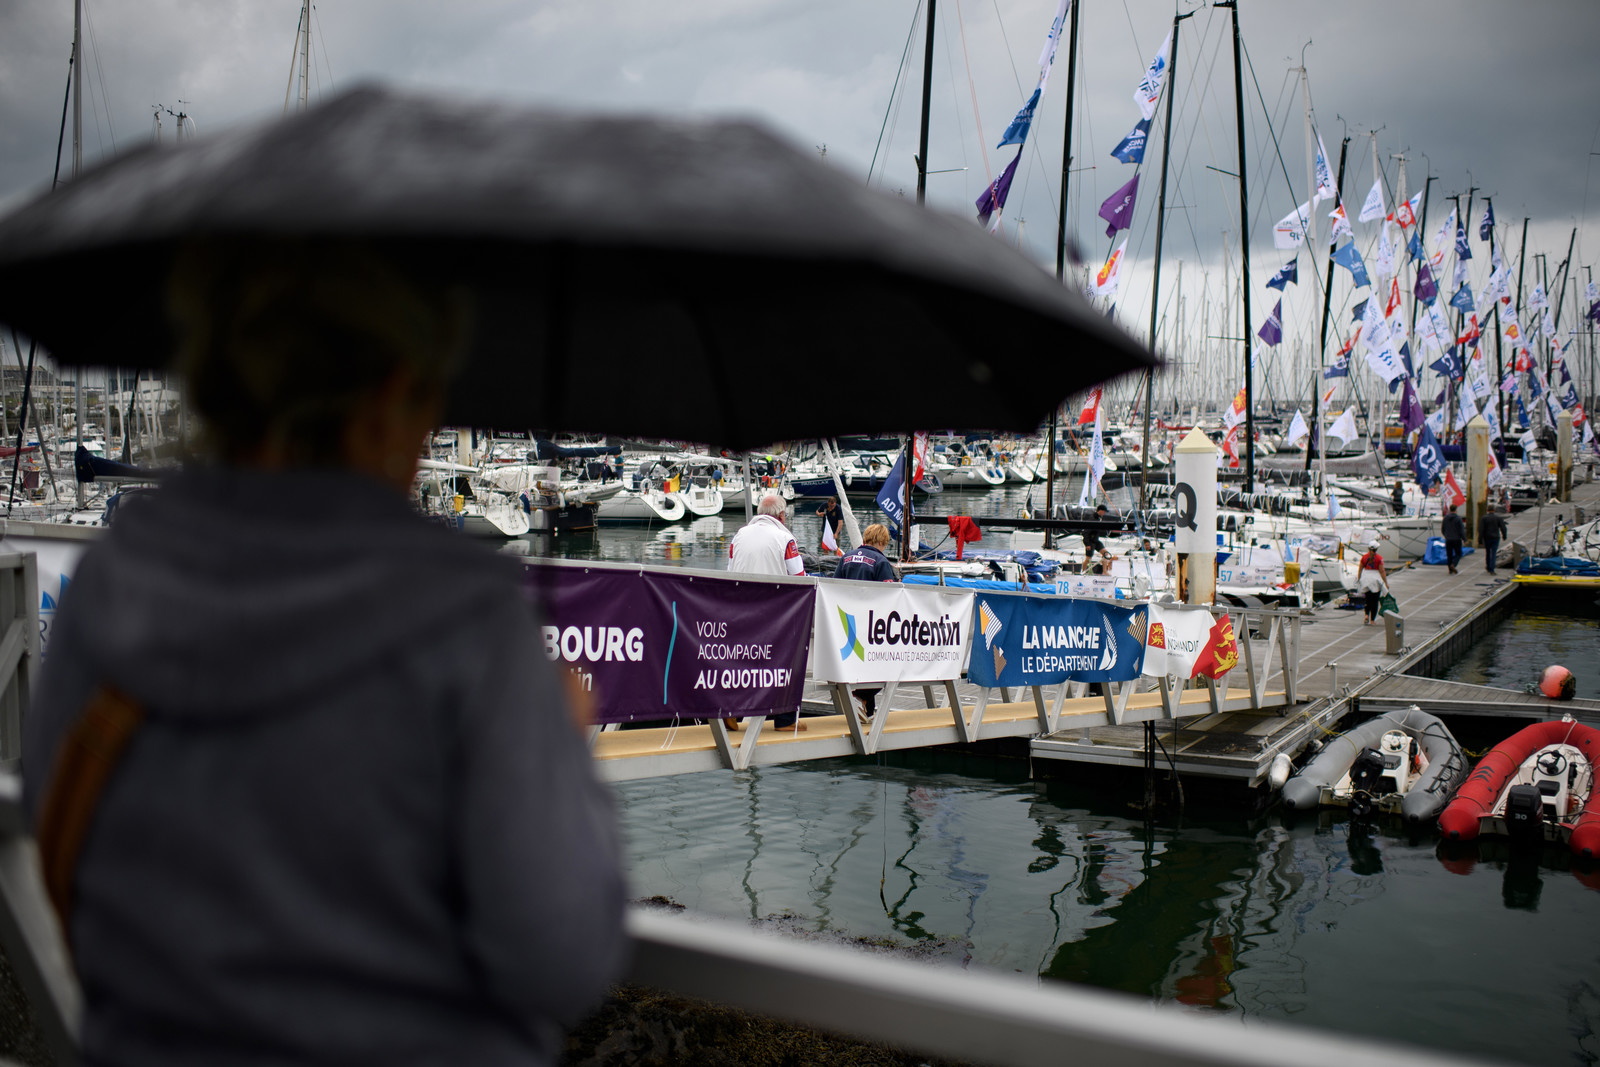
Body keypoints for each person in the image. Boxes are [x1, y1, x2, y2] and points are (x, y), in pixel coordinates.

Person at [22, 239, 625, 1065]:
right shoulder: (468, 624)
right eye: (428, 396)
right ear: (385, 397)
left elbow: (65, 876)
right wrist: (563, 751)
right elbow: (564, 957)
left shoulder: (109, 584)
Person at [728, 493, 806, 730]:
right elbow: (799, 578)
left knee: (743, 663)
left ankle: (731, 711)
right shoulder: (785, 539)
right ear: (782, 515)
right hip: (776, 612)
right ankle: (784, 719)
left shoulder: (739, 535)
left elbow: (729, 572)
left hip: (740, 610)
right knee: (784, 663)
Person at [834, 524, 898, 724]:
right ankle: (859, 697)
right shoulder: (880, 561)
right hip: (871, 623)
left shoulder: (846, 558)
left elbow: (834, 586)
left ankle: (867, 712)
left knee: (861, 666)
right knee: (886, 665)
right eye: (885, 544)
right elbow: (889, 595)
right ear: (881, 541)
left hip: (847, 621)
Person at [1356, 538, 1388, 624]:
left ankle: (1366, 614)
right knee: (1375, 600)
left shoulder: (1364, 557)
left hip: (1366, 578)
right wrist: (1385, 583)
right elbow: (1382, 571)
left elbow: (1360, 569)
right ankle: (1372, 620)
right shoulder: (1379, 558)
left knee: (1367, 599)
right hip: (1375, 580)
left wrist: (1359, 579)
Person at [1479, 504, 1509, 574]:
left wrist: (1480, 539)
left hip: (1487, 537)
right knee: (1493, 553)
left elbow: (1481, 529)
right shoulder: (1498, 518)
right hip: (1495, 537)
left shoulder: (1484, 518)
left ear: (1487, 510)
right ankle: (1492, 569)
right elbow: (1503, 527)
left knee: (1488, 552)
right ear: (1494, 510)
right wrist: (1504, 536)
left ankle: (1488, 566)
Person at [1441, 504, 1466, 574]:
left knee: (1449, 554)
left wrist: (1446, 536)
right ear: (1456, 510)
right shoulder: (1458, 519)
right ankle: (1453, 564)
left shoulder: (1445, 518)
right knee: (1458, 553)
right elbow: (1461, 530)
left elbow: (1443, 529)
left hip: (1448, 539)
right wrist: (1464, 539)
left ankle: (1450, 569)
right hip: (1456, 539)